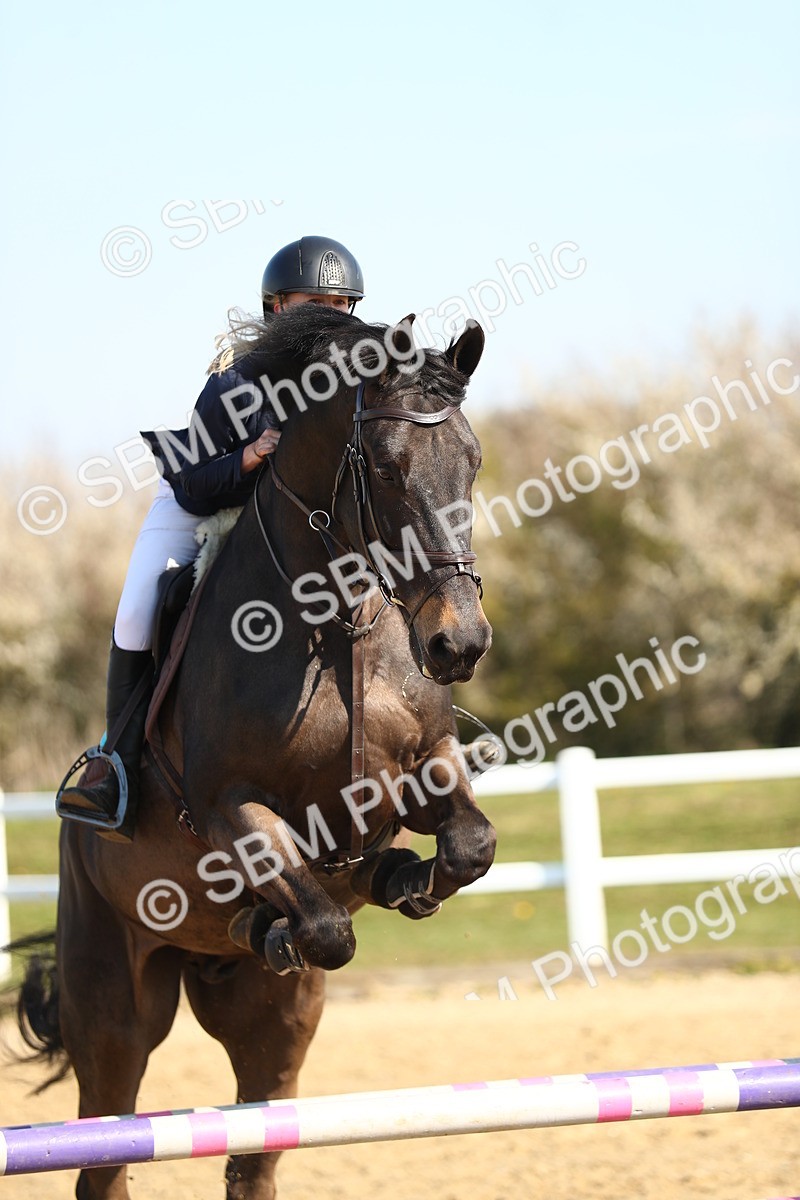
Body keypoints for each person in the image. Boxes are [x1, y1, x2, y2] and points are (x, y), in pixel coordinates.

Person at [58, 237, 365, 837]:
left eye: (340, 304)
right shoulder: (236, 383)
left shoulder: (350, 388)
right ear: (277, 308)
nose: (330, 316)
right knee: (135, 612)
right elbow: (195, 484)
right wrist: (249, 458)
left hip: (284, 526)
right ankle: (113, 762)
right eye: (315, 302)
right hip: (197, 506)